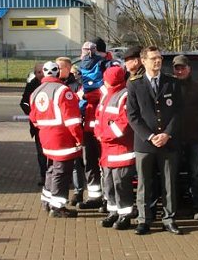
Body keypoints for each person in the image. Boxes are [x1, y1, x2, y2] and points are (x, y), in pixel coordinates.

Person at [126, 45, 184, 235]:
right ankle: (144, 220)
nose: (158, 61)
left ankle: (169, 219)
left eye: (159, 58)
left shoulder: (172, 82)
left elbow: (178, 112)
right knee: (144, 184)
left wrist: (167, 134)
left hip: (168, 142)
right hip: (145, 143)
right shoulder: (134, 84)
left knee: (169, 184)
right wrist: (150, 136)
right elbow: (132, 116)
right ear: (143, 61)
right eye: (153, 58)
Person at [29, 61, 83, 218]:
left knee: (52, 169)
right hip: (62, 138)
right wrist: (79, 138)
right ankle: (58, 206)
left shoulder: (36, 92)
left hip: (46, 137)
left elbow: (33, 118)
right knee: (62, 172)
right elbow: (72, 120)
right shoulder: (63, 91)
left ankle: (47, 200)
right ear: (58, 72)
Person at [93, 65, 137, 231]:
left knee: (121, 185)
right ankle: (113, 212)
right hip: (107, 150)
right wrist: (99, 133)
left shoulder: (125, 95)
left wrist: (103, 135)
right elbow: (98, 117)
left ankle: (125, 215)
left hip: (121, 150)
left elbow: (123, 124)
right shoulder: (106, 95)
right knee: (109, 184)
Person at [172, 55, 198, 220]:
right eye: (177, 68)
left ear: (189, 69)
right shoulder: (168, 87)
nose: (180, 71)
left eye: (183, 68)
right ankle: (174, 207)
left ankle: (196, 207)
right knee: (173, 174)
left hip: (194, 139)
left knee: (194, 174)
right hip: (173, 140)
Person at [76, 39, 112, 209]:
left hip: (103, 127)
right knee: (90, 162)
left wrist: (85, 96)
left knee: (103, 163)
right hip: (90, 125)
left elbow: (109, 94)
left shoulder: (109, 68)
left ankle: (107, 198)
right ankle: (95, 196)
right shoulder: (86, 75)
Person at [57, 56, 86, 205]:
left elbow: (81, 106)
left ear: (68, 69)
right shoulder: (55, 85)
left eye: (59, 67)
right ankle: (59, 194)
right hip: (59, 132)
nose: (56, 70)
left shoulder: (77, 86)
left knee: (76, 164)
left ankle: (78, 192)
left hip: (73, 129)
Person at [19, 62, 49, 186]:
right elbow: (23, 102)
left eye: (43, 71)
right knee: (41, 153)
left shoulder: (53, 84)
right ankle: (44, 176)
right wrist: (33, 115)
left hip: (53, 126)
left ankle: (57, 176)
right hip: (38, 127)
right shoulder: (31, 85)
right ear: (35, 73)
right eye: (38, 72)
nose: (41, 74)